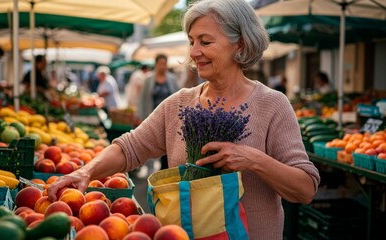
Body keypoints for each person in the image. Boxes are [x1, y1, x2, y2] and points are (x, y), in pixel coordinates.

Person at [48, 0, 320, 239]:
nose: (194, 52)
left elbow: (305, 188)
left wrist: (252, 159)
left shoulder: (272, 104)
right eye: (192, 41)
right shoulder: (180, 103)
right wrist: (86, 171)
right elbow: (130, 147)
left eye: (205, 41)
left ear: (240, 43)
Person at [138, 53, 179, 170]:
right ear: (156, 64)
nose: (163, 66)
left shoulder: (172, 79)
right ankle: (150, 168)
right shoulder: (149, 80)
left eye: (165, 64)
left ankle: (164, 169)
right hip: (151, 116)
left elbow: (179, 95)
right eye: (160, 64)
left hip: (169, 118)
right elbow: (142, 99)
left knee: (168, 144)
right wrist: (141, 116)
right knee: (150, 143)